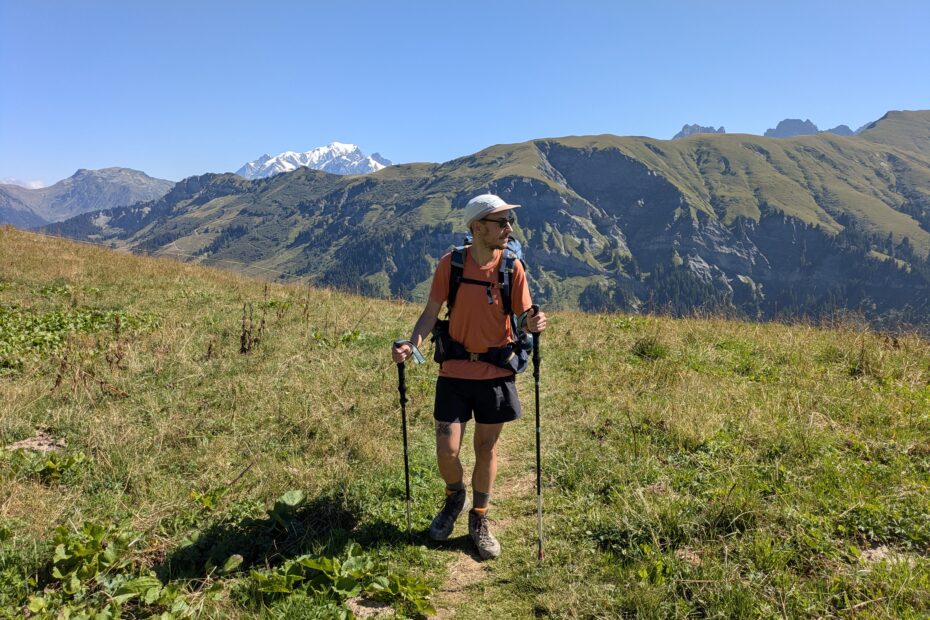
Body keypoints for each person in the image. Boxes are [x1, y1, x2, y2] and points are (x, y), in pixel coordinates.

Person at [391, 193, 547, 560]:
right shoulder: (452, 264)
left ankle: (479, 517)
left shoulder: (512, 267)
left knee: (485, 448)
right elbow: (430, 313)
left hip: (496, 371)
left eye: (510, 222)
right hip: (455, 371)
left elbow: (523, 316)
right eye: (501, 222)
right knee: (447, 449)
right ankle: (454, 496)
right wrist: (411, 346)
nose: (509, 228)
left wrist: (533, 322)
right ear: (477, 227)